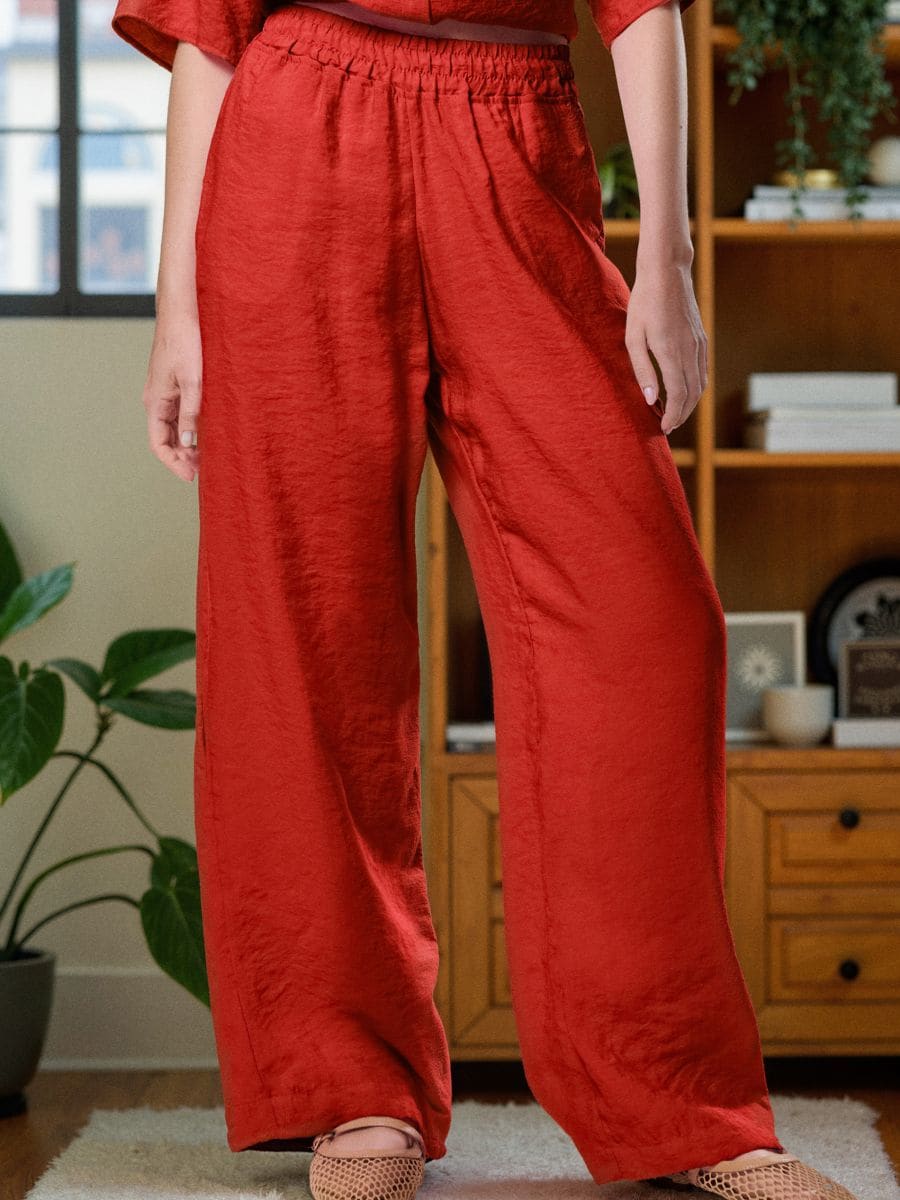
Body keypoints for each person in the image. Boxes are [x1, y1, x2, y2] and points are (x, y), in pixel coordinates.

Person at [109, 2, 860, 1199]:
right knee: (305, 629)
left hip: (518, 136)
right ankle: (358, 1091)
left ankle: (679, 1104)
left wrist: (666, 259)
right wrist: (177, 307)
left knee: (643, 625)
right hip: (296, 135)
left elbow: (641, 8)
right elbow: (211, 29)